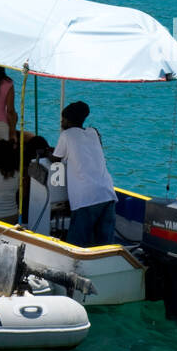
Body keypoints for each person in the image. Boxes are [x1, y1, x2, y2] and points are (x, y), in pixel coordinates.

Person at [51, 101, 117, 248]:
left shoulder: (66, 135)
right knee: (105, 245)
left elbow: (56, 159)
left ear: (68, 120)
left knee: (77, 244)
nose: (61, 122)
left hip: (86, 197)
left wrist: (46, 153)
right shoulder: (93, 132)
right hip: (107, 192)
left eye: (63, 119)